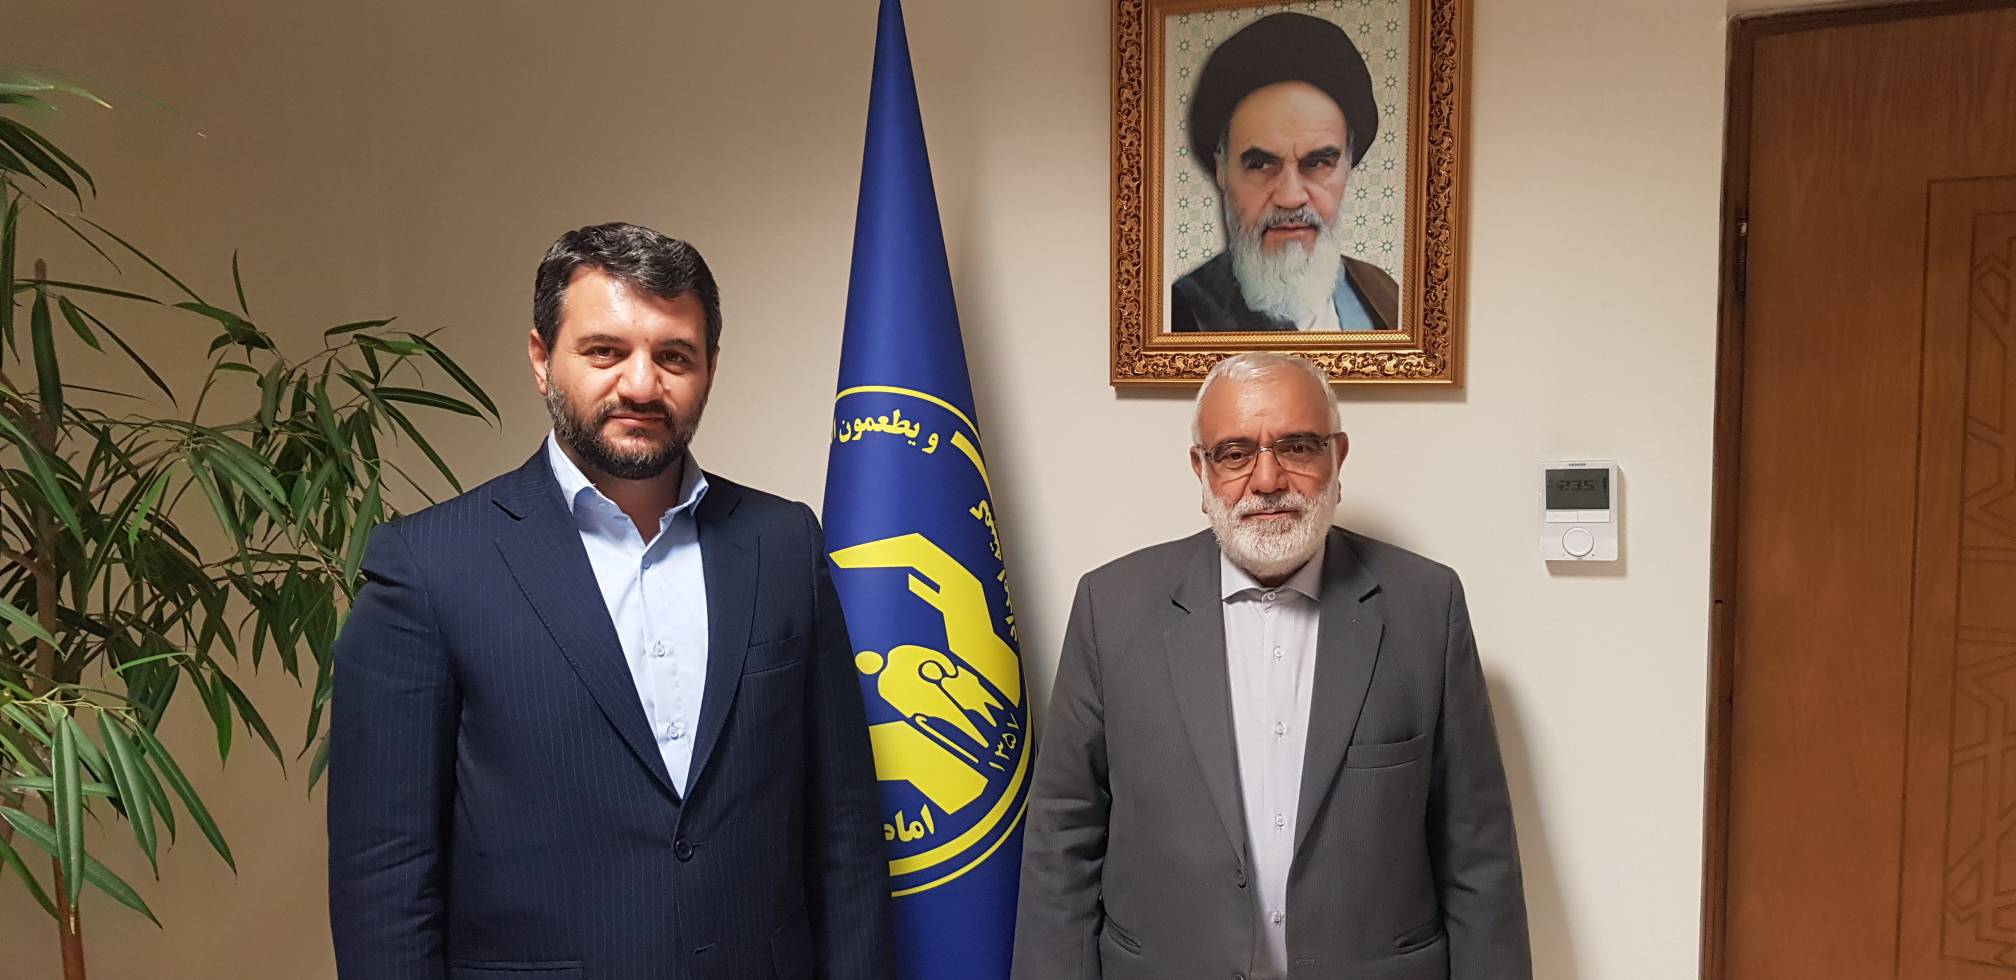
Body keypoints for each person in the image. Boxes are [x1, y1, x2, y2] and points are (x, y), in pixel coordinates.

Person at [327, 222, 895, 979]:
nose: (640, 385)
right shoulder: (428, 567)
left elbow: (845, 829)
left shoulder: (784, 543)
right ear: (542, 359)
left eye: (673, 356)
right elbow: (385, 876)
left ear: (710, 368)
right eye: (605, 352)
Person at [1012, 352, 1529, 979]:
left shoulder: (1426, 606)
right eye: (1234, 454)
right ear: (1200, 469)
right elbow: (1062, 839)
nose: (1266, 480)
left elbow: (1477, 851)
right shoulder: (1111, 608)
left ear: (1338, 457)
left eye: (1297, 447)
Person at [1169, 13, 1401, 333]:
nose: (1291, 197)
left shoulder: (1383, 293)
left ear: (1348, 163)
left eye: (1317, 163)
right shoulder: (1180, 311)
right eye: (1261, 165)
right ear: (1221, 168)